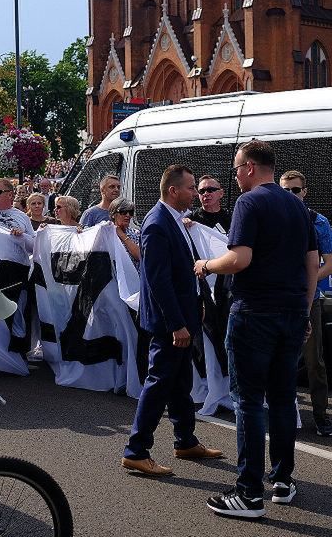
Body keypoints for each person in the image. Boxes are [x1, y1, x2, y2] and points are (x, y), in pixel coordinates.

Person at [195, 140, 318, 519]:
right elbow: (312, 262)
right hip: (293, 311)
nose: (234, 177)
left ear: (249, 167)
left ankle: (248, 493)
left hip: (255, 312)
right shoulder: (297, 205)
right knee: (282, 397)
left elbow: (240, 258)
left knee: (248, 400)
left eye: (235, 169)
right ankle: (282, 480)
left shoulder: (250, 202)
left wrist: (206, 265)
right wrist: (305, 309)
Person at [121, 164, 222, 477]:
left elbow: (189, 268)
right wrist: (177, 323)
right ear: (173, 190)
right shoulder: (157, 223)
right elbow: (158, 280)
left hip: (186, 313)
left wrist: (199, 302)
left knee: (181, 382)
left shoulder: (177, 220)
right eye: (191, 188)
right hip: (170, 322)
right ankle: (136, 451)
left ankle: (185, 441)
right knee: (160, 382)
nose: (196, 193)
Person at [279, 170, 332, 436]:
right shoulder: (274, 217)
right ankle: (284, 413)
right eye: (286, 190)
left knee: (314, 362)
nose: (292, 195)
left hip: (309, 300)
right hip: (280, 299)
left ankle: (321, 415)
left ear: (305, 192)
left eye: (296, 190)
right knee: (280, 360)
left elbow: (330, 265)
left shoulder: (318, 221)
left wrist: (307, 282)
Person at [110, 197, 140, 265]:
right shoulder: (106, 234)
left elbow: (139, 256)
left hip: (133, 274)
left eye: (131, 212)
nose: (128, 215)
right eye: (123, 212)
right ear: (113, 214)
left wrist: (123, 236)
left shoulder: (136, 233)